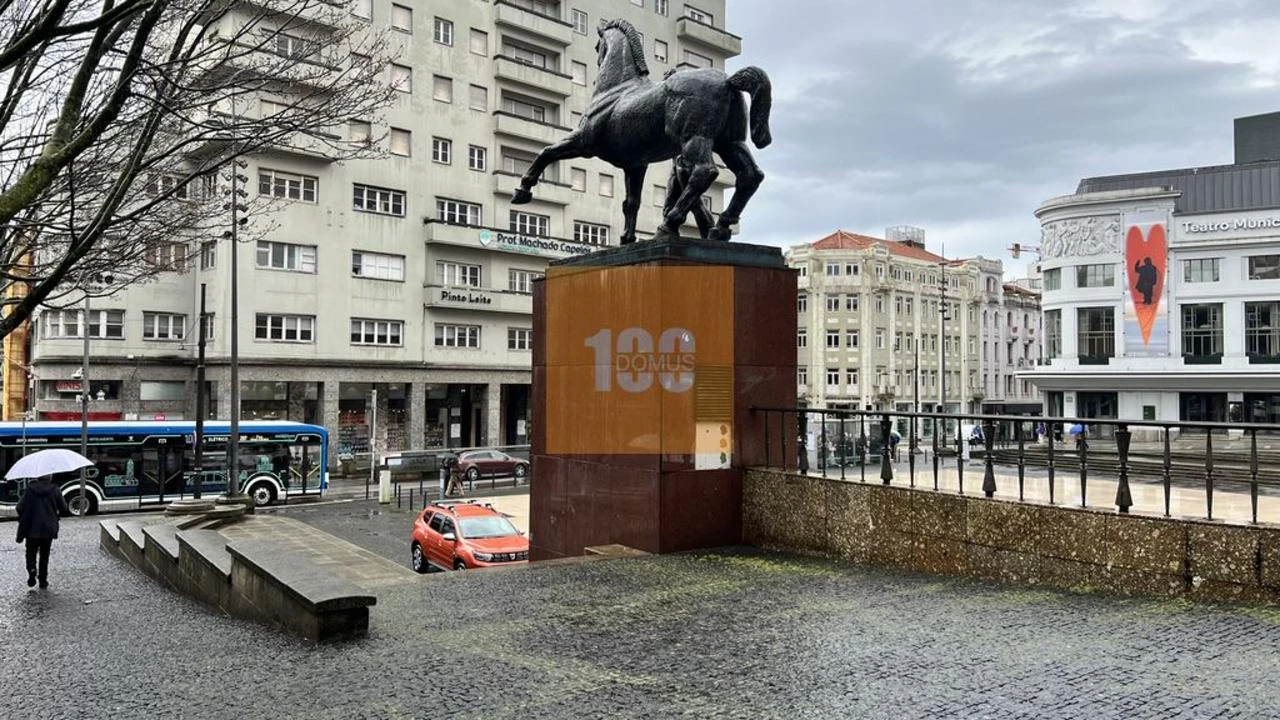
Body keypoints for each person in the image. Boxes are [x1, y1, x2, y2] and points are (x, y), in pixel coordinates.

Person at [15, 476, 69, 589]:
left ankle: (32, 569)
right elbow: (64, 507)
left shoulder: (30, 489)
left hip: (31, 527)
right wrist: (55, 514)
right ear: (50, 477)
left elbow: (19, 507)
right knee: (45, 554)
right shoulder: (55, 490)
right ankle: (43, 580)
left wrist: (25, 515)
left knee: (30, 551)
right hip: (48, 528)